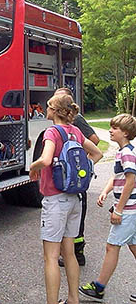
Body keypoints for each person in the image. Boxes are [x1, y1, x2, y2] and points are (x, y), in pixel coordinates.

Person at [29, 93, 102, 304]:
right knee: (69, 253)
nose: (46, 110)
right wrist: (83, 171)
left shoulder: (52, 132)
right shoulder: (76, 131)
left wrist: (33, 168)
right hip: (74, 199)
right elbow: (96, 153)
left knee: (50, 257)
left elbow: (46, 159)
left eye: (49, 106)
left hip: (55, 200)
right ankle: (73, 299)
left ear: (54, 111)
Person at [79, 113, 136, 303]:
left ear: (126, 133)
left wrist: (119, 209)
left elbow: (130, 181)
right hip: (129, 209)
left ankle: (99, 288)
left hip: (128, 210)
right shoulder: (122, 152)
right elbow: (118, 178)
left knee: (112, 246)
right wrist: (105, 191)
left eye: (115, 128)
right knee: (134, 246)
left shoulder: (127, 153)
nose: (110, 131)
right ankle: (99, 287)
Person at [55, 86, 100, 266]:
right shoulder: (60, 122)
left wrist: (81, 166)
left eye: (60, 98)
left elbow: (94, 140)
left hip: (77, 181)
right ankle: (69, 254)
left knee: (76, 220)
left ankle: (77, 254)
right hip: (69, 181)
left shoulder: (77, 120)